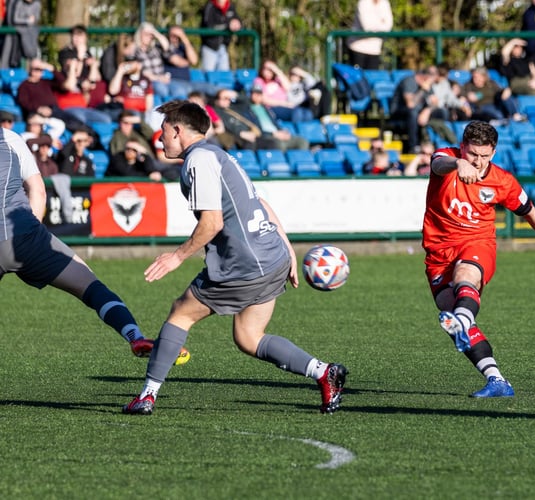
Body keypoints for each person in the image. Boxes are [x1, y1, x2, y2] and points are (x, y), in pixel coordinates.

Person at [121, 99, 348, 415]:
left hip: (243, 264)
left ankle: (147, 395)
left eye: (162, 131)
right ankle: (324, 372)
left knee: (180, 314)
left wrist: (177, 256)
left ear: (176, 129)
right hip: (272, 258)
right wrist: (289, 252)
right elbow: (260, 204)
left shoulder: (197, 161)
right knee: (249, 337)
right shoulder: (220, 155)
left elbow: (211, 222)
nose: (159, 138)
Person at [0, 126, 189, 365]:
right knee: (91, 287)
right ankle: (134, 336)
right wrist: (30, 238)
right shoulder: (9, 138)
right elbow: (38, 191)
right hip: (25, 237)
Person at [421, 120, 535, 397]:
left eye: (484, 156)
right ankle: (496, 379)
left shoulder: (503, 181)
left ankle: (462, 320)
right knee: (451, 311)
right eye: (472, 154)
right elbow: (438, 165)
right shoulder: (446, 158)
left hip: (476, 243)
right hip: (437, 253)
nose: (478, 161)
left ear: (493, 153)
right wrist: (458, 164)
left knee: (465, 276)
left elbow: (530, 212)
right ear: (462, 148)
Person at [389, 66, 443, 153]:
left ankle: (437, 143)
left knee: (442, 112)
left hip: (419, 111)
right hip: (400, 111)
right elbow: (410, 104)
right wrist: (422, 90)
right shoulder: (409, 81)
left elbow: (436, 103)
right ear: (425, 77)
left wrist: (427, 111)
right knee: (413, 113)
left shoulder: (428, 85)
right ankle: (414, 146)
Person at [347, 0, 394, 70]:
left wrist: (375, 24)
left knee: (371, 78)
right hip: (358, 48)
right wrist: (381, 22)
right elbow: (367, 27)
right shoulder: (363, 2)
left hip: (375, 50)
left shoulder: (384, 2)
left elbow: (388, 26)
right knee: (357, 78)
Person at [199, 0, 242, 72]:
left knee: (224, 76)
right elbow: (209, 25)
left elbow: (237, 20)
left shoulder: (230, 6)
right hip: (209, 47)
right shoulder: (210, 6)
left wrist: (237, 24)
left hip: (224, 47)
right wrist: (228, 26)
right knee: (208, 74)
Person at [0, 0, 41, 68]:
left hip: (26, 36)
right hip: (11, 33)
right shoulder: (16, 3)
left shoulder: (37, 4)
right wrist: (27, 20)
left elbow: (36, 19)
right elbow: (14, 19)